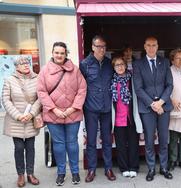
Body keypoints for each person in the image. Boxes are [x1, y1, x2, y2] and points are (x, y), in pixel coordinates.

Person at [37, 42, 87, 186]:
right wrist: (54, 109)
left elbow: (82, 89)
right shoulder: (45, 70)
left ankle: (75, 172)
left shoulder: (75, 70)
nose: (59, 55)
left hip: (73, 113)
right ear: (52, 53)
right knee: (58, 144)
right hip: (53, 114)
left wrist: (73, 108)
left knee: (72, 143)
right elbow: (41, 92)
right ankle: (61, 172)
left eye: (62, 53)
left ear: (66, 54)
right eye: (56, 52)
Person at [133, 36, 173, 181]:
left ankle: (163, 167)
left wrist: (161, 102)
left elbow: (169, 85)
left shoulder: (165, 62)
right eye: (148, 45)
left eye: (154, 45)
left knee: (163, 138)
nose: (151, 48)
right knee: (149, 139)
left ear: (157, 46)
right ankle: (151, 168)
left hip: (163, 107)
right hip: (147, 108)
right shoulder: (138, 64)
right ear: (144, 46)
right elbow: (138, 88)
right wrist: (153, 104)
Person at [79, 35, 116, 182]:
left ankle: (108, 168)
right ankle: (91, 170)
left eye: (104, 46)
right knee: (91, 141)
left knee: (107, 140)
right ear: (93, 47)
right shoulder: (85, 64)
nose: (102, 49)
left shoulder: (109, 63)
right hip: (91, 108)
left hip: (106, 108)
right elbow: (80, 87)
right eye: (99, 46)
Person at [2, 56, 41, 187]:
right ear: (16, 67)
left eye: (27, 63)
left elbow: (39, 98)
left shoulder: (36, 79)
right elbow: (6, 100)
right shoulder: (9, 80)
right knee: (19, 148)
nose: (25, 65)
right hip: (16, 121)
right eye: (22, 64)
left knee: (31, 147)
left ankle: (30, 173)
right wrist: (18, 116)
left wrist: (31, 113)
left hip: (30, 119)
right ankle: (20, 175)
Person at [111, 56, 142, 178]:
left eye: (121, 64)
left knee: (134, 144)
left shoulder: (132, 79)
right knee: (121, 145)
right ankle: (124, 167)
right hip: (118, 118)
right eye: (117, 65)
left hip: (131, 117)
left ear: (126, 65)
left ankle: (133, 167)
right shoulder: (112, 81)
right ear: (114, 68)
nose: (120, 67)